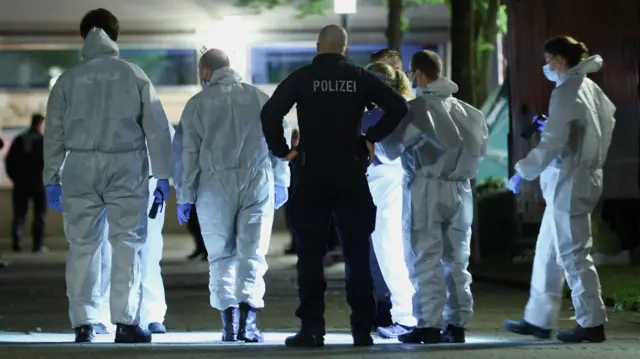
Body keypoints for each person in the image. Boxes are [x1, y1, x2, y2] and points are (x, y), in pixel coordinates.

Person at [261, 24, 408, 347]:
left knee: (310, 256)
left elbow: (270, 113)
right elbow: (399, 106)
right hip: (350, 173)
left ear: (317, 47)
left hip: (311, 173)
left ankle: (312, 328)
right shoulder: (359, 77)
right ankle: (361, 329)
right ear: (344, 49)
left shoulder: (302, 77)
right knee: (357, 254)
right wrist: (370, 139)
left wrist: (283, 149)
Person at [42, 8, 173, 343]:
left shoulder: (68, 80)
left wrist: (51, 177)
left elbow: (54, 133)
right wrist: (163, 175)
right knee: (127, 243)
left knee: (83, 245)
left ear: (83, 35)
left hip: (79, 166)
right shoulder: (134, 74)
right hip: (126, 165)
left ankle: (84, 322)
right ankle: (126, 323)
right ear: (116, 36)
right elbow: (156, 129)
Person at [174, 48, 291, 343]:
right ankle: (248, 323)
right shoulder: (259, 98)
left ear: (204, 72)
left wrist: (185, 195)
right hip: (257, 179)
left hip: (213, 185)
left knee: (220, 255)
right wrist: (281, 181)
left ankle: (228, 323)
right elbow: (281, 140)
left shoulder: (198, 104)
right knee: (252, 253)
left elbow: (188, 153)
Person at [504, 36, 615, 343]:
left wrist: (522, 172)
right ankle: (538, 319)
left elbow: (552, 142)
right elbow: (598, 127)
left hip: (571, 180)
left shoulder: (567, 91)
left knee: (574, 253)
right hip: (580, 176)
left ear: (560, 60)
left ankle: (591, 323)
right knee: (549, 252)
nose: (546, 66)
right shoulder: (591, 89)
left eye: (548, 59)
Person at [378, 50, 488, 344]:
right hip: (462, 189)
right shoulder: (471, 112)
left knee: (424, 256)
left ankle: (428, 323)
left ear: (417, 73)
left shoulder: (418, 109)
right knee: (457, 259)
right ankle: (457, 322)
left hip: (426, 188)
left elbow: (390, 148)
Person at [95, 122, 177, 335]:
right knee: (107, 252)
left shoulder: (151, 108)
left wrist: (164, 179)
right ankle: (102, 314)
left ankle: (152, 314)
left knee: (149, 252)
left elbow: (168, 144)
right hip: (110, 184)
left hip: (147, 184)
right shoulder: (104, 105)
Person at [360, 62, 417, 339]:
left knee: (390, 252)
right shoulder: (412, 107)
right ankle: (416, 314)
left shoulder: (375, 117)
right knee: (409, 253)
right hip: (410, 186)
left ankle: (405, 317)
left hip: (385, 189)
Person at [5, 114, 47, 253]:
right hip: (38, 182)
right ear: (40, 124)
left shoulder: (19, 140)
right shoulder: (43, 141)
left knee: (19, 214)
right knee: (39, 214)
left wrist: (15, 178)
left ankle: (16, 242)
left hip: (21, 182)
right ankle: (38, 245)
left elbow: (9, 161)